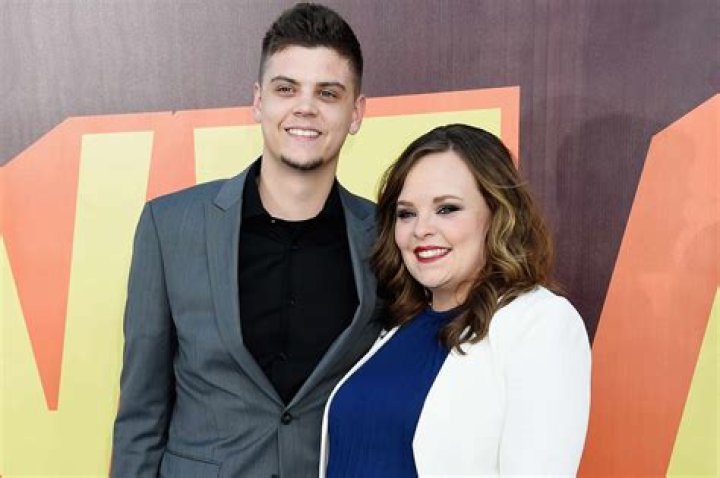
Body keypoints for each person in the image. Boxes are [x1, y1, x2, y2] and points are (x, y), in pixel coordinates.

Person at [111, 3, 382, 477]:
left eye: (328, 93)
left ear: (356, 112)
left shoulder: (384, 237)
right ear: (259, 101)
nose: (305, 107)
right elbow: (141, 416)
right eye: (286, 88)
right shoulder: (169, 226)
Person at [320, 124, 591, 476]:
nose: (421, 229)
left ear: (497, 213)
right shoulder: (396, 326)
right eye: (406, 213)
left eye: (447, 209)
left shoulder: (540, 323)